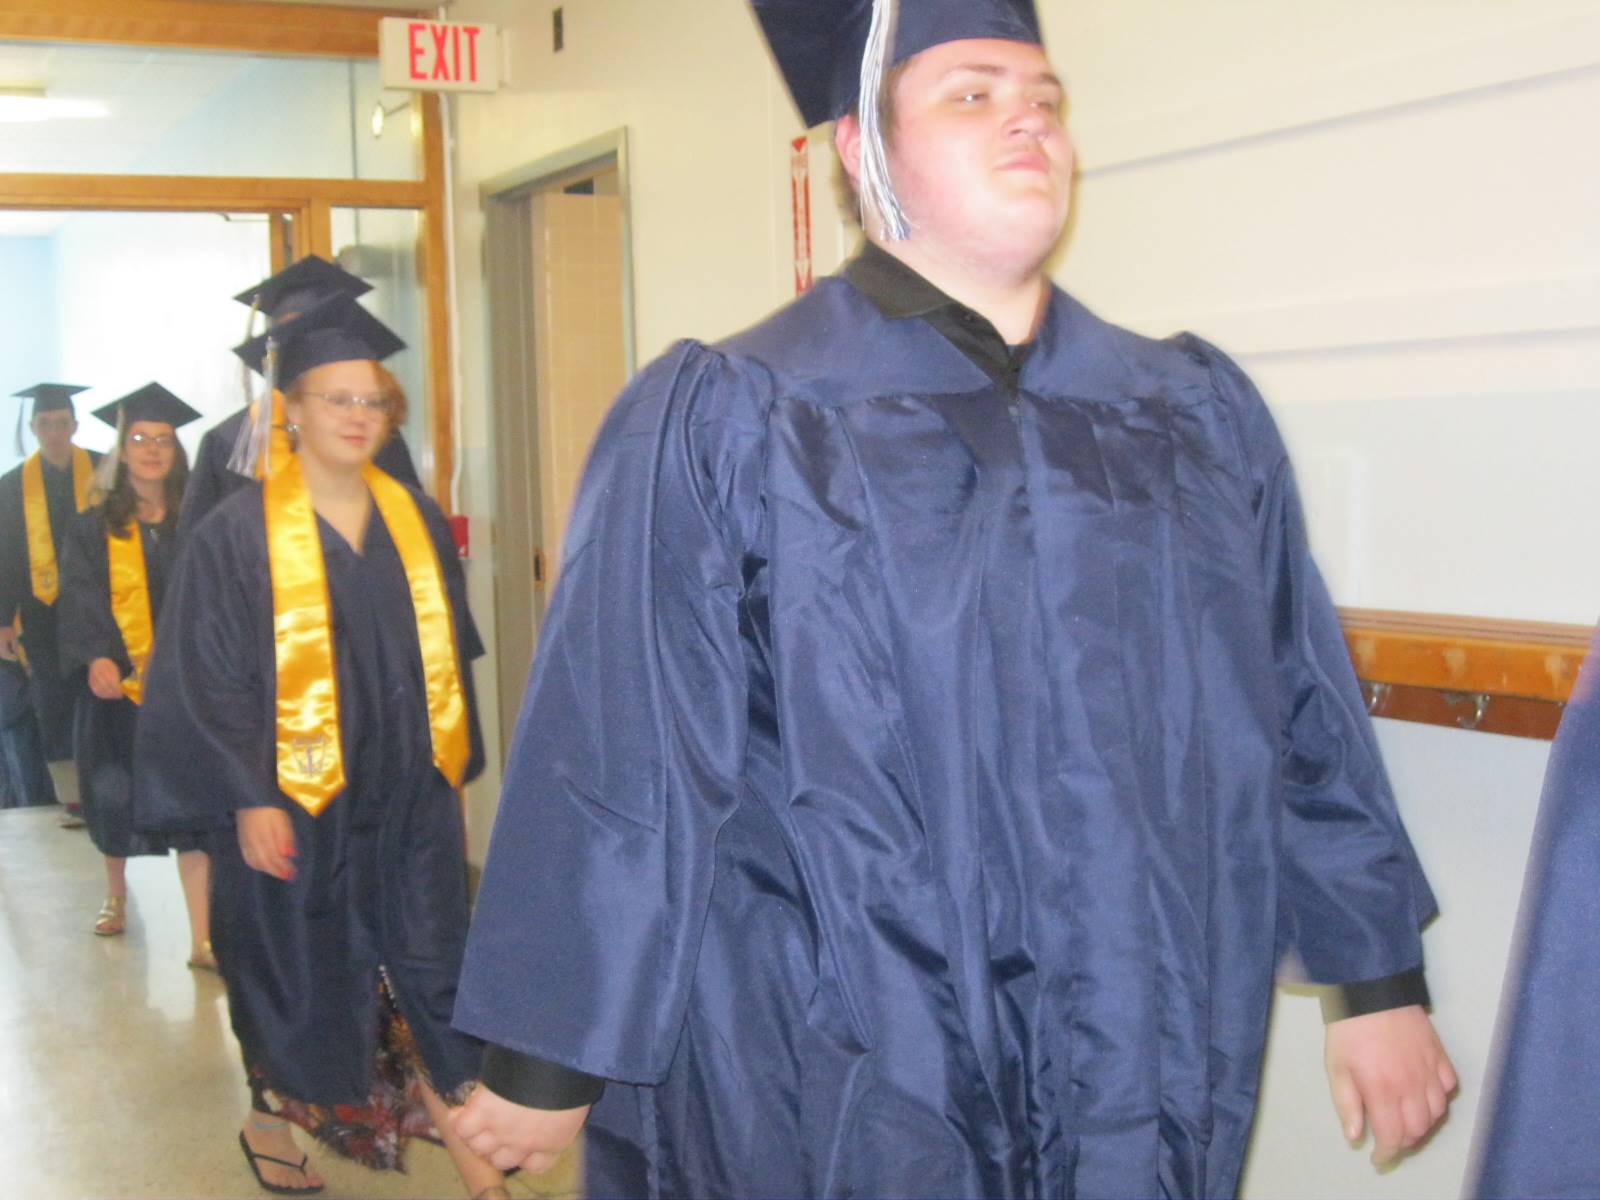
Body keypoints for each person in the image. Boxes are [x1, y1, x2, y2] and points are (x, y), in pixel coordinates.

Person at [448, 2, 1456, 1197]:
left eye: (1043, 95)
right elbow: (625, 746)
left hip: (1143, 1037)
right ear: (857, 151)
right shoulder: (733, 415)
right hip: (844, 1052)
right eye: (970, 93)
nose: (1027, 115)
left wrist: (1376, 985)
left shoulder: (1189, 413)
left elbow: (1297, 702)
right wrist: (548, 1060)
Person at [134, 295, 503, 1199]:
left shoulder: (413, 524)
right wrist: (248, 794)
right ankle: (272, 1122)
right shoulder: (232, 536)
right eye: (336, 399)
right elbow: (205, 679)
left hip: (405, 802)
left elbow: (445, 663)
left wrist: (447, 774)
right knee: (304, 987)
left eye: (372, 400)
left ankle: (485, 1177)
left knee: (428, 978)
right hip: (292, 804)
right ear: (290, 409)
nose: (357, 417)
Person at [56, 384, 215, 957]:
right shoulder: (92, 526)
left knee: (196, 807)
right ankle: (116, 894)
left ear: (177, 450)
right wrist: (97, 654)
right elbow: (80, 595)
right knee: (113, 791)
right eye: (141, 439)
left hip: (188, 690)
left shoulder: (202, 519)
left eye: (164, 441)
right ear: (121, 450)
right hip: (118, 688)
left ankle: (202, 935)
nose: (152, 449)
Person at [180, 254, 422, 537]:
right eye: (289, 332)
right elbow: (199, 555)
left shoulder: (375, 433)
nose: (302, 341)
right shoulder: (232, 443)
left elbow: (409, 532)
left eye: (317, 329)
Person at [0, 382, 102, 825]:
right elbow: (3, 559)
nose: (55, 431)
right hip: (40, 615)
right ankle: (74, 797)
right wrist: (3, 621)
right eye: (46, 424)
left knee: (98, 698)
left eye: (62, 423)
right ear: (33, 428)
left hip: (98, 611)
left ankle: (108, 789)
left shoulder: (104, 472)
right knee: (54, 701)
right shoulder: (9, 487)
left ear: (75, 425)